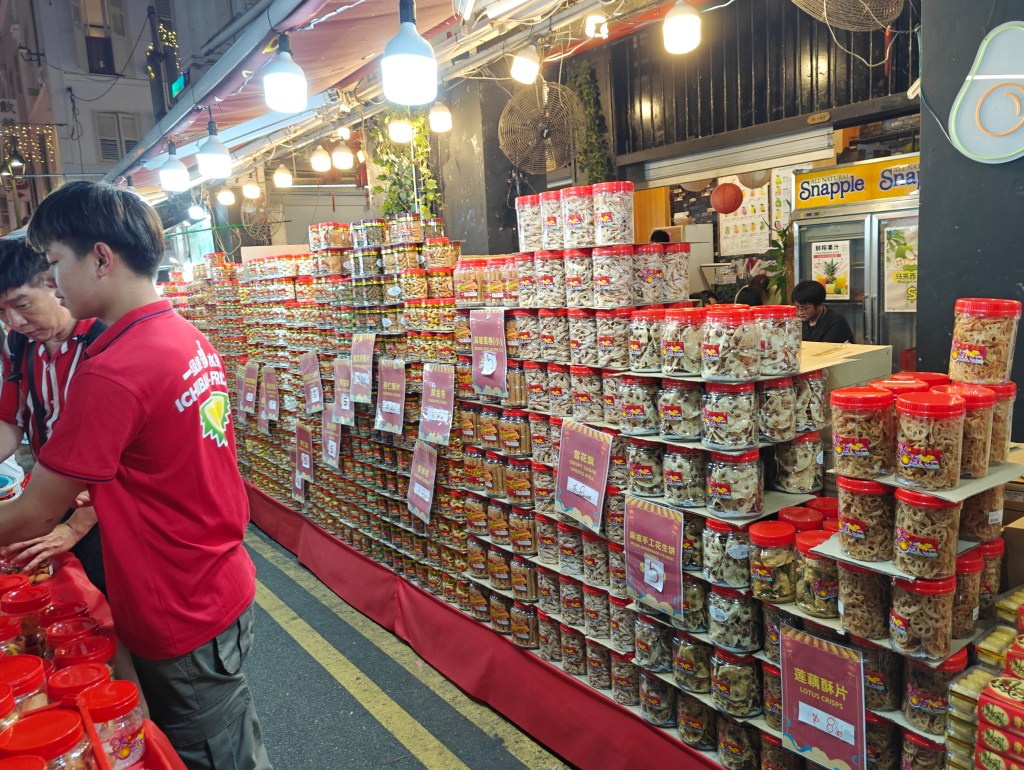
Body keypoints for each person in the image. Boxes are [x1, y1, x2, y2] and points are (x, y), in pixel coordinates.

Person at [0, 182, 271, 770]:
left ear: (101, 258)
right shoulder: (183, 336)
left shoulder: (115, 370)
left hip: (178, 602)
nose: (54, 284)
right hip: (214, 579)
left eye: (55, 265)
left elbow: (34, 513)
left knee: (213, 752)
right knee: (227, 736)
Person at [0, 237, 106, 592]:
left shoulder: (105, 341)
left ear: (53, 282)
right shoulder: (17, 345)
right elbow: (10, 421)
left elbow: (126, 455)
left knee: (109, 588)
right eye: (1, 313)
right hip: (53, 494)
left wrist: (75, 527)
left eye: (22, 305)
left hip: (104, 503)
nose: (15, 321)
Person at [792, 279, 854, 343]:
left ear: (819, 304)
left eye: (805, 308)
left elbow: (826, 347)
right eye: (797, 307)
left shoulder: (835, 321)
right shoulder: (797, 320)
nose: (800, 312)